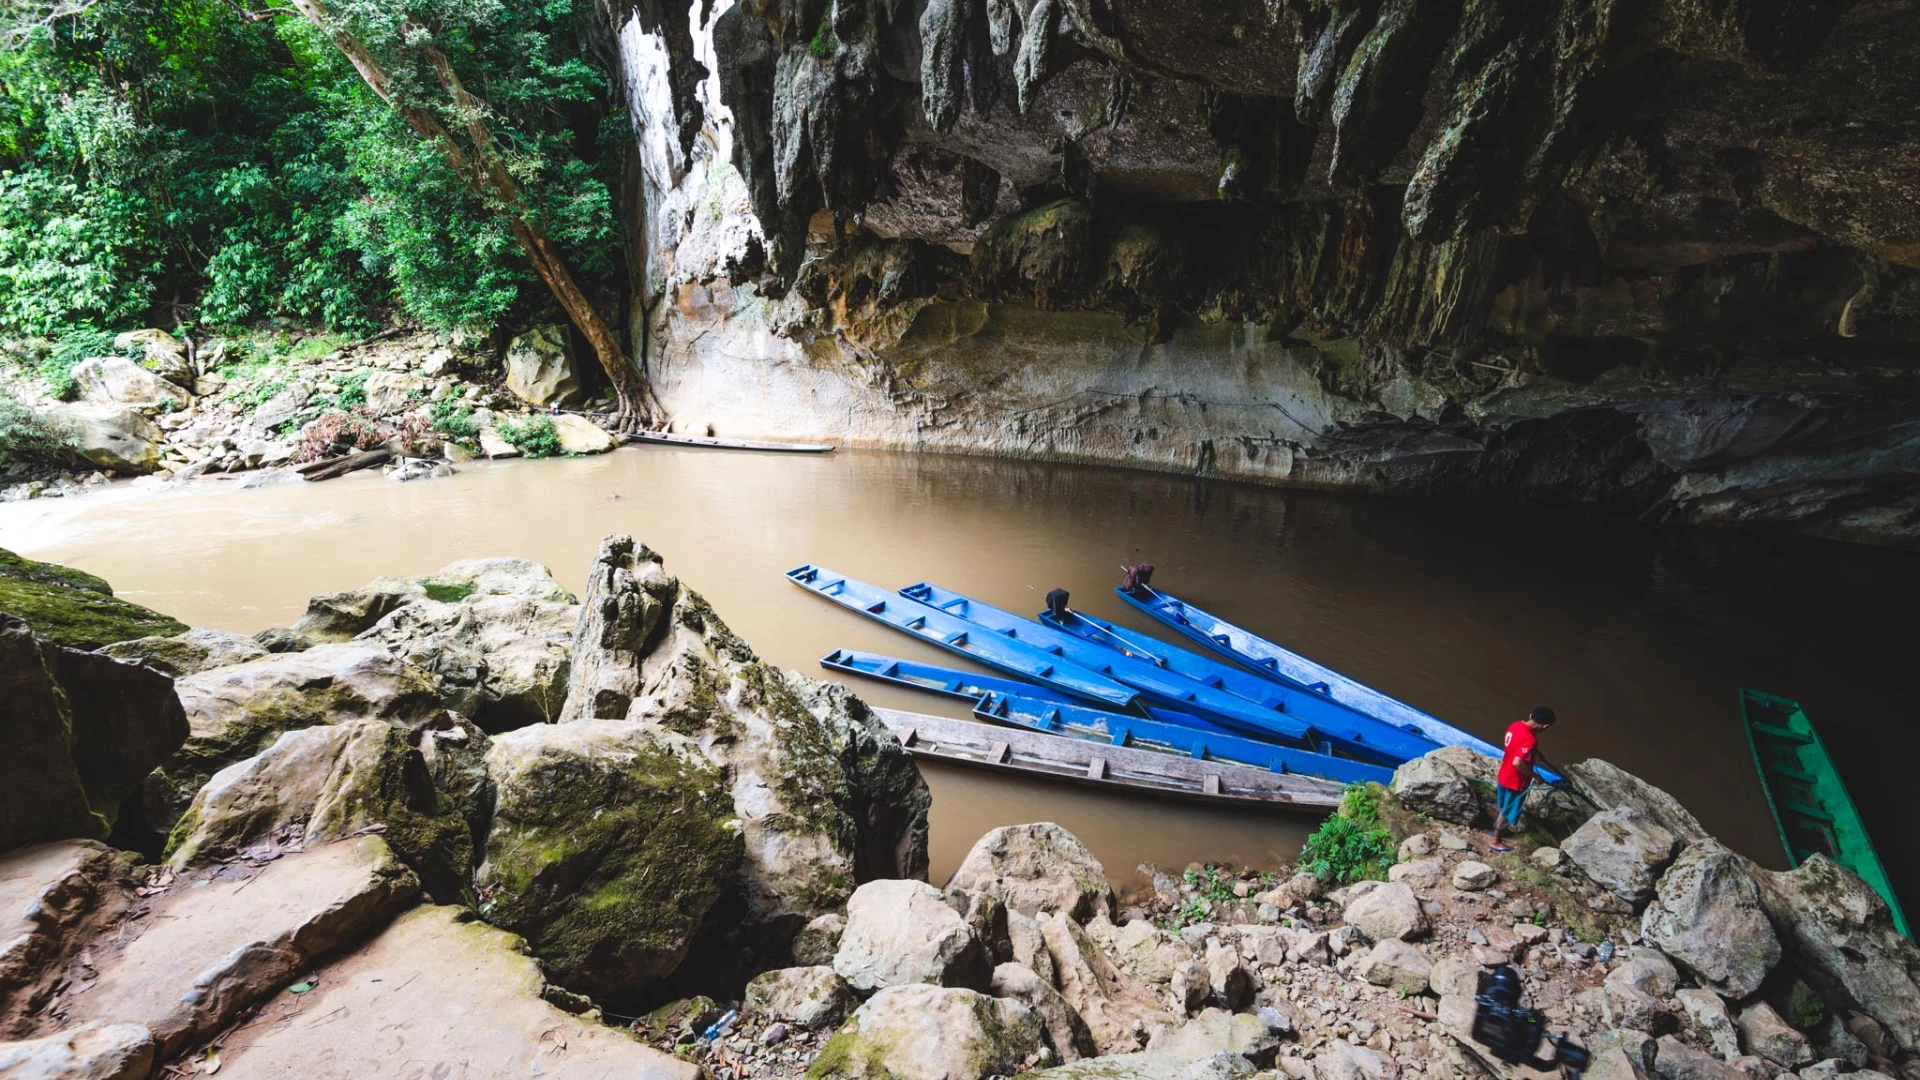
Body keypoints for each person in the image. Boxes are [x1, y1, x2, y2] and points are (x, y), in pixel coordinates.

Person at [1490, 706, 1555, 852]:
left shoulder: (1516, 725)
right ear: (1545, 726)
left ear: (1531, 714)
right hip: (1516, 781)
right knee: (1508, 811)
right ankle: (1496, 840)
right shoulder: (1530, 740)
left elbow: (1519, 743)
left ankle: (1496, 829)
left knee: (1503, 805)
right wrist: (1535, 776)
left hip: (1504, 774)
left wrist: (1536, 753)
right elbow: (1518, 762)